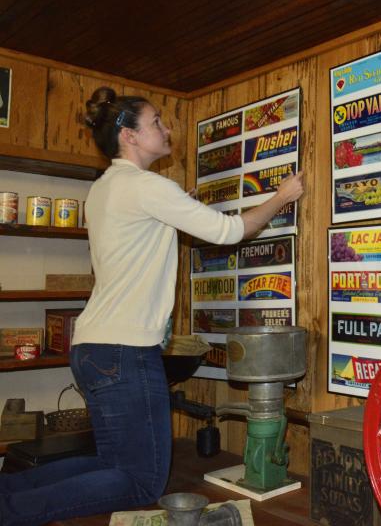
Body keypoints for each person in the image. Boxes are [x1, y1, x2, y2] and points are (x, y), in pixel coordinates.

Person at [0, 86, 304, 525]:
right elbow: (230, 232)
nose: (167, 129)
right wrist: (282, 196)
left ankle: (9, 489)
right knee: (141, 480)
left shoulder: (105, 189)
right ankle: (10, 510)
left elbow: (143, 245)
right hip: (123, 351)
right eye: (157, 121)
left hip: (92, 348)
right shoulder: (146, 187)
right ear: (129, 135)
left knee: (113, 465)